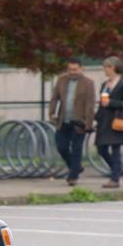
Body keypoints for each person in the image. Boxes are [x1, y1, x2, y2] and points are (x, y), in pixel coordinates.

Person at [48, 58, 96, 186]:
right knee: (61, 146)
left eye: (75, 69)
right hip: (63, 119)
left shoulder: (88, 83)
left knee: (76, 148)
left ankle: (73, 176)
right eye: (70, 69)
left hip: (79, 121)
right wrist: (52, 112)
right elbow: (54, 98)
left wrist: (88, 124)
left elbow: (90, 104)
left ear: (81, 69)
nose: (72, 72)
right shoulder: (62, 80)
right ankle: (76, 167)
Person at [94, 56, 123, 188]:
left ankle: (115, 179)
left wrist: (111, 103)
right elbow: (102, 103)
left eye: (107, 67)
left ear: (114, 68)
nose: (105, 69)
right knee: (101, 149)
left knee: (116, 149)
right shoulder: (104, 85)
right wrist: (96, 116)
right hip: (104, 120)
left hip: (116, 120)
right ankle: (117, 169)